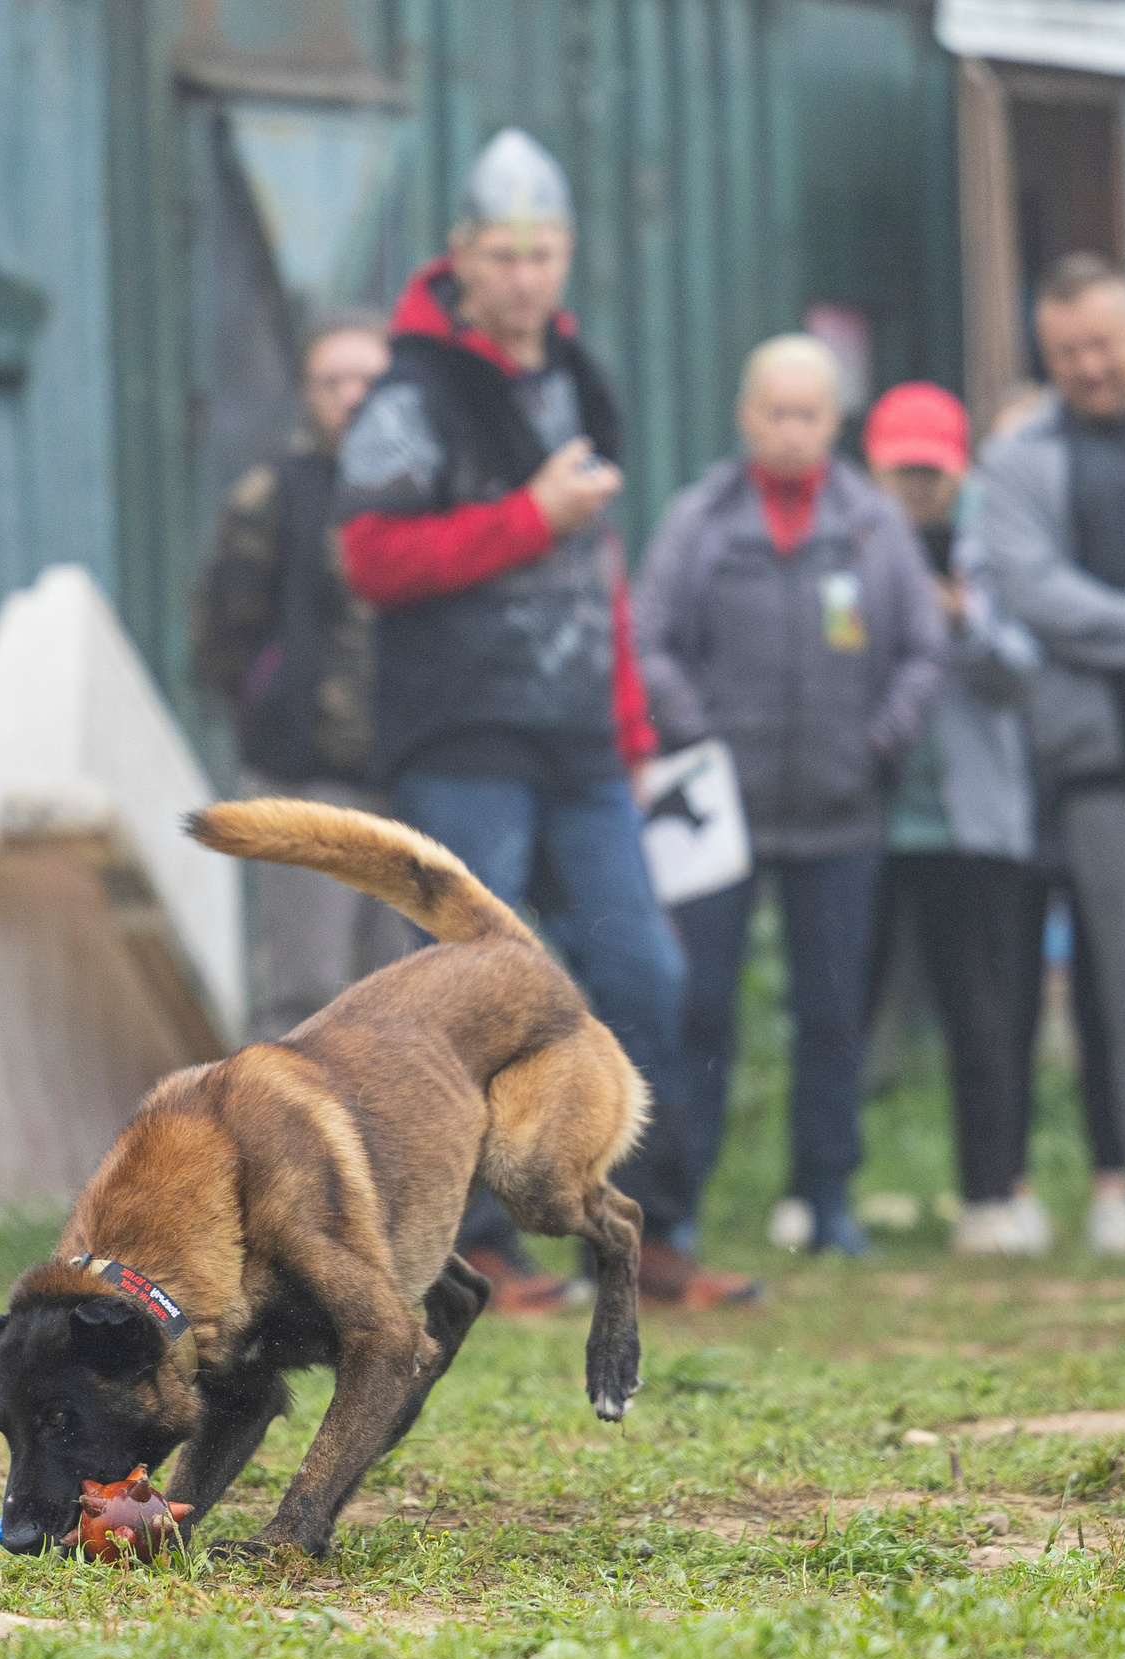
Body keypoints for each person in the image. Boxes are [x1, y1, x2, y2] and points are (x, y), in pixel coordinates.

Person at [335, 130, 757, 1311]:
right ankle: (468, 1250)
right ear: (461, 255)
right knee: (461, 998)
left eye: (543, 253)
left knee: (646, 974)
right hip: (461, 742)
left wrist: (630, 729)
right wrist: (526, 514)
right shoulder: (410, 393)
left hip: (581, 747)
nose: (524, 276)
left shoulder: (578, 373)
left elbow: (596, 570)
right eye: (503, 254)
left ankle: (647, 1231)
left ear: (565, 254)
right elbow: (370, 557)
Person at [635, 343, 946, 1259]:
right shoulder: (699, 520)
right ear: (747, 416)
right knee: (698, 1006)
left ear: (834, 423)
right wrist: (699, 735)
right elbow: (648, 641)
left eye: (809, 414)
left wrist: (878, 740)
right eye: (776, 412)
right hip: (713, 816)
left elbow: (924, 649)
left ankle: (826, 1196)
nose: (791, 429)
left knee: (833, 1011)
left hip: (840, 813)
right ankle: (679, 1200)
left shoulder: (874, 527)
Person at [971, 253, 1125, 1262]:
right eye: (1066, 351)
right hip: (1106, 760)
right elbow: (1033, 591)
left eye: (1103, 344)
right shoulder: (1020, 460)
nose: (1088, 366)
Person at [850, 383, 1044, 1255]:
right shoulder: (850, 541)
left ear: (959, 469)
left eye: (932, 471)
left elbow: (1024, 670)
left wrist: (968, 622)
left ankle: (990, 1195)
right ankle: (822, 1192)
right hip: (870, 820)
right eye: (903, 471)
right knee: (845, 1014)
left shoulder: (992, 544)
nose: (918, 487)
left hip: (972, 825)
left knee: (982, 1018)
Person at [192, 311, 415, 1039]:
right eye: (331, 382)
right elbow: (223, 631)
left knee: (404, 993)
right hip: (307, 778)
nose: (351, 397)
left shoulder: (424, 491)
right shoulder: (273, 495)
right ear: (306, 394)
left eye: (367, 381)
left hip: (413, 773)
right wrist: (276, 707)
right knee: (306, 988)